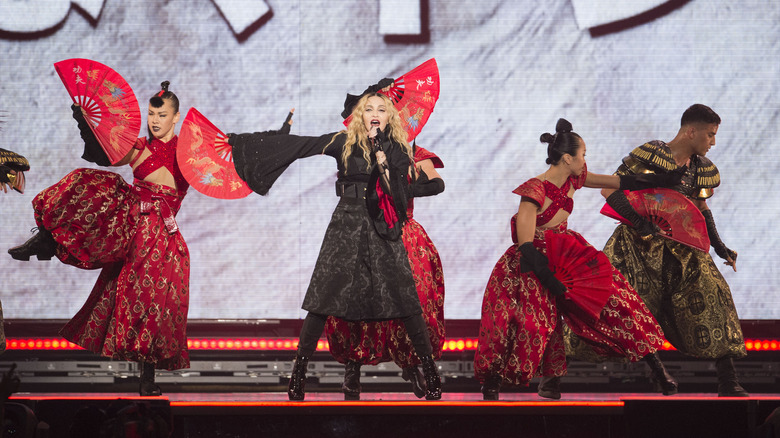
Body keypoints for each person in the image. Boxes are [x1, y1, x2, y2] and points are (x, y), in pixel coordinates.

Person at [228, 91, 443, 401]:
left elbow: (414, 186)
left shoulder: (396, 149)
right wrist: (241, 141)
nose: (375, 112)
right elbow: (299, 145)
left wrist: (392, 167)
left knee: (404, 297)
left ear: (389, 116)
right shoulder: (343, 142)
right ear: (359, 114)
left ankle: (432, 374)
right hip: (346, 222)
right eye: (369, 108)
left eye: (382, 109)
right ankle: (298, 376)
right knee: (322, 299)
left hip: (383, 225)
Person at [473, 118, 681, 400]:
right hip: (532, 263)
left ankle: (659, 372)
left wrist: (660, 181)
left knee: (616, 300)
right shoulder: (533, 191)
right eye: (583, 155)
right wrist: (550, 280)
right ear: (568, 158)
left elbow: (619, 182)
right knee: (525, 322)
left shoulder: (576, 179)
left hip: (567, 253)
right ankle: (494, 384)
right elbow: (525, 244)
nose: (585, 161)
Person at [8, 82, 191, 396]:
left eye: (162, 114)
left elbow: (222, 165)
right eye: (151, 114)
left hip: (162, 238)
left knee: (151, 305)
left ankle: (148, 379)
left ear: (176, 118)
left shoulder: (188, 155)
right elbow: (103, 155)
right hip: (127, 224)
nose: (155, 120)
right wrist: (84, 121)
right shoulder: (139, 146)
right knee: (89, 181)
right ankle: (47, 240)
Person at [594, 104, 748, 397]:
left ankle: (728, 380)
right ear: (691, 131)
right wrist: (640, 223)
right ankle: (555, 376)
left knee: (715, 296)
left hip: (684, 249)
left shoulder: (700, 168)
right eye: (710, 135)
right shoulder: (651, 154)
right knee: (609, 305)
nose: (713, 143)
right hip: (635, 245)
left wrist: (719, 245)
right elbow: (609, 190)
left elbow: (701, 209)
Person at [325, 141, 446, 400]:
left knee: (416, 300)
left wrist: (401, 187)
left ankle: (414, 365)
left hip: (403, 232)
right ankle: (352, 371)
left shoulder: (413, 152)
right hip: (364, 232)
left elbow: (437, 184)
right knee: (357, 299)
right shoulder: (357, 150)